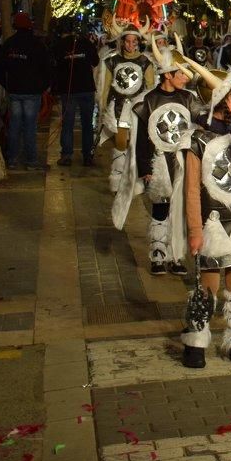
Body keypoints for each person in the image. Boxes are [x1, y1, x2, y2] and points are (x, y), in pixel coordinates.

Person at [178, 60, 231, 370]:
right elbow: (190, 191)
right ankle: (196, 341)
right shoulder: (198, 140)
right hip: (210, 224)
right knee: (208, 289)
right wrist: (195, 230)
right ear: (222, 101)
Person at [113, 35, 203, 277]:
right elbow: (142, 139)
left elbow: (201, 129)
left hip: (183, 162)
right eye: (181, 73)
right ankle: (157, 253)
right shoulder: (148, 101)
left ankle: (175, 255)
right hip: (159, 162)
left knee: (181, 209)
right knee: (161, 209)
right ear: (167, 74)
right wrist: (146, 168)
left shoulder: (189, 99)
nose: (186, 77)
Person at [98, 17, 154, 191]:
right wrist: (102, 107)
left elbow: (150, 88)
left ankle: (135, 178)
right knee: (121, 143)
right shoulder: (112, 61)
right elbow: (105, 86)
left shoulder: (146, 62)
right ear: (122, 42)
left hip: (138, 109)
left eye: (133, 41)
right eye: (127, 41)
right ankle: (117, 178)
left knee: (137, 143)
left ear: (138, 42)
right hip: (118, 108)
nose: (130, 45)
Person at [0, 12, 52, 170]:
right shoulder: (37, 45)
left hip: (15, 90)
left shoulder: (9, 44)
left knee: (14, 125)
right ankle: (31, 160)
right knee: (30, 126)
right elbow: (46, 68)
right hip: (32, 91)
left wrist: (7, 86)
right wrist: (44, 86)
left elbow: (2, 67)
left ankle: (13, 159)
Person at [52, 18, 100, 167]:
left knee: (68, 123)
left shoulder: (60, 45)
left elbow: (56, 63)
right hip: (85, 89)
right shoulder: (87, 44)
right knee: (87, 124)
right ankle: (87, 156)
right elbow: (96, 61)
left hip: (69, 90)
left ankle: (67, 155)